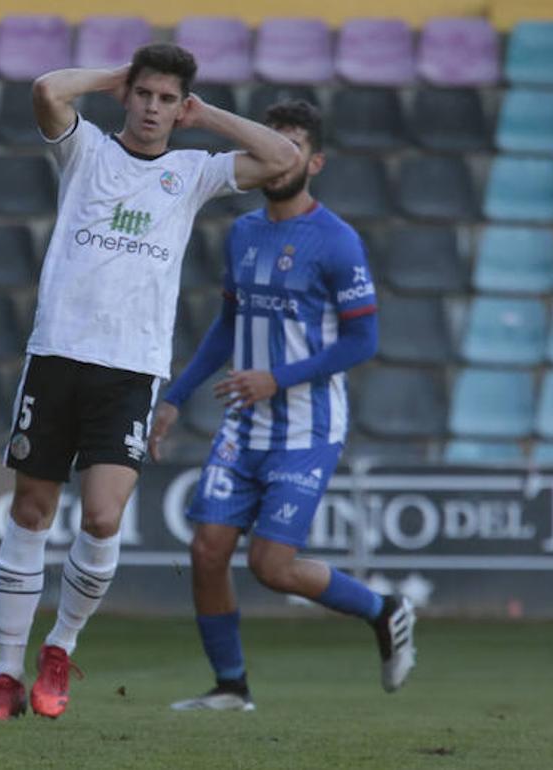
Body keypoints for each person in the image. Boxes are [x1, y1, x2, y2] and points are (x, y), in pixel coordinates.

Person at [0, 43, 302, 722]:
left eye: (166, 99)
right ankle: (5, 673)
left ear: (181, 107)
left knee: (101, 515)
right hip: (58, 354)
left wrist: (209, 118)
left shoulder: (193, 171)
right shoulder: (86, 151)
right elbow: (45, 88)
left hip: (130, 367)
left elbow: (283, 160)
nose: (153, 109)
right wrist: (111, 78)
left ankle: (59, 648)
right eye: (143, 95)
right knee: (31, 511)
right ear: (128, 96)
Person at [147, 99, 416, 712]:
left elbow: (363, 339)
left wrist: (279, 377)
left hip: (307, 427)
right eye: (271, 144)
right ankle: (231, 687)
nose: (279, 158)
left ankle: (385, 610)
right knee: (207, 549)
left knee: (272, 566)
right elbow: (228, 325)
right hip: (245, 424)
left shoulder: (337, 242)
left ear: (314, 161)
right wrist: (176, 398)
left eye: (293, 147)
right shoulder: (243, 232)